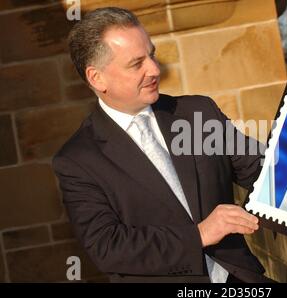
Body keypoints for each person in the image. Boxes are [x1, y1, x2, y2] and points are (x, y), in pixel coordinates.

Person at [52, 7, 271, 283]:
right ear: (97, 78)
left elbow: (263, 169)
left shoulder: (198, 113)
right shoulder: (77, 160)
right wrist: (200, 234)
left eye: (152, 55)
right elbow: (108, 247)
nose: (154, 69)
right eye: (136, 63)